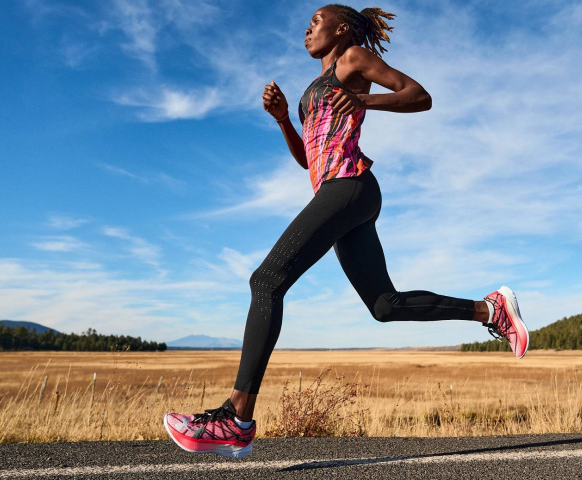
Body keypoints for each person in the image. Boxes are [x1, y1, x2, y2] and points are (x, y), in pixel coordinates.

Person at [164, 4, 528, 458]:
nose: (306, 29)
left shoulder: (352, 59)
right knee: (384, 306)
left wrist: (365, 99)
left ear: (340, 28)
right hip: (335, 190)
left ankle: (236, 418)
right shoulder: (309, 92)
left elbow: (419, 95)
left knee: (266, 281)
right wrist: (282, 120)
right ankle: (489, 310)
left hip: (351, 186)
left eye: (315, 22)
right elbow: (308, 160)